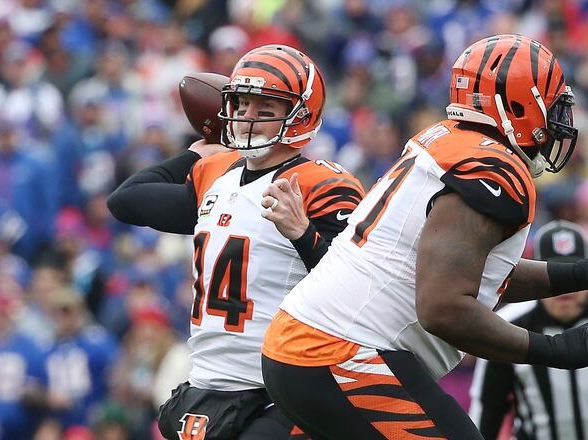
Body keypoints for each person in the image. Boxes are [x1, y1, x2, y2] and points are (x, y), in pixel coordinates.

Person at [260, 34, 581, 439]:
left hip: (308, 342)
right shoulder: (492, 167)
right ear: (517, 104)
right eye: (550, 105)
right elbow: (442, 307)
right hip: (337, 349)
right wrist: (555, 350)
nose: (558, 119)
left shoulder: (451, 140)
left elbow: (475, 276)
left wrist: (578, 274)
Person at [108, 44, 365, 439]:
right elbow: (126, 201)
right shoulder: (216, 174)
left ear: (300, 115)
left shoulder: (322, 183)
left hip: (279, 387)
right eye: (242, 106)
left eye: (265, 110)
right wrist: (194, 154)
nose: (248, 119)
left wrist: (302, 234)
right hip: (208, 381)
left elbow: (357, 292)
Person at [471, 220, 588, 440]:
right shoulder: (507, 323)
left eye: (573, 276)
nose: (567, 290)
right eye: (558, 277)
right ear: (540, 278)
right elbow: (488, 407)